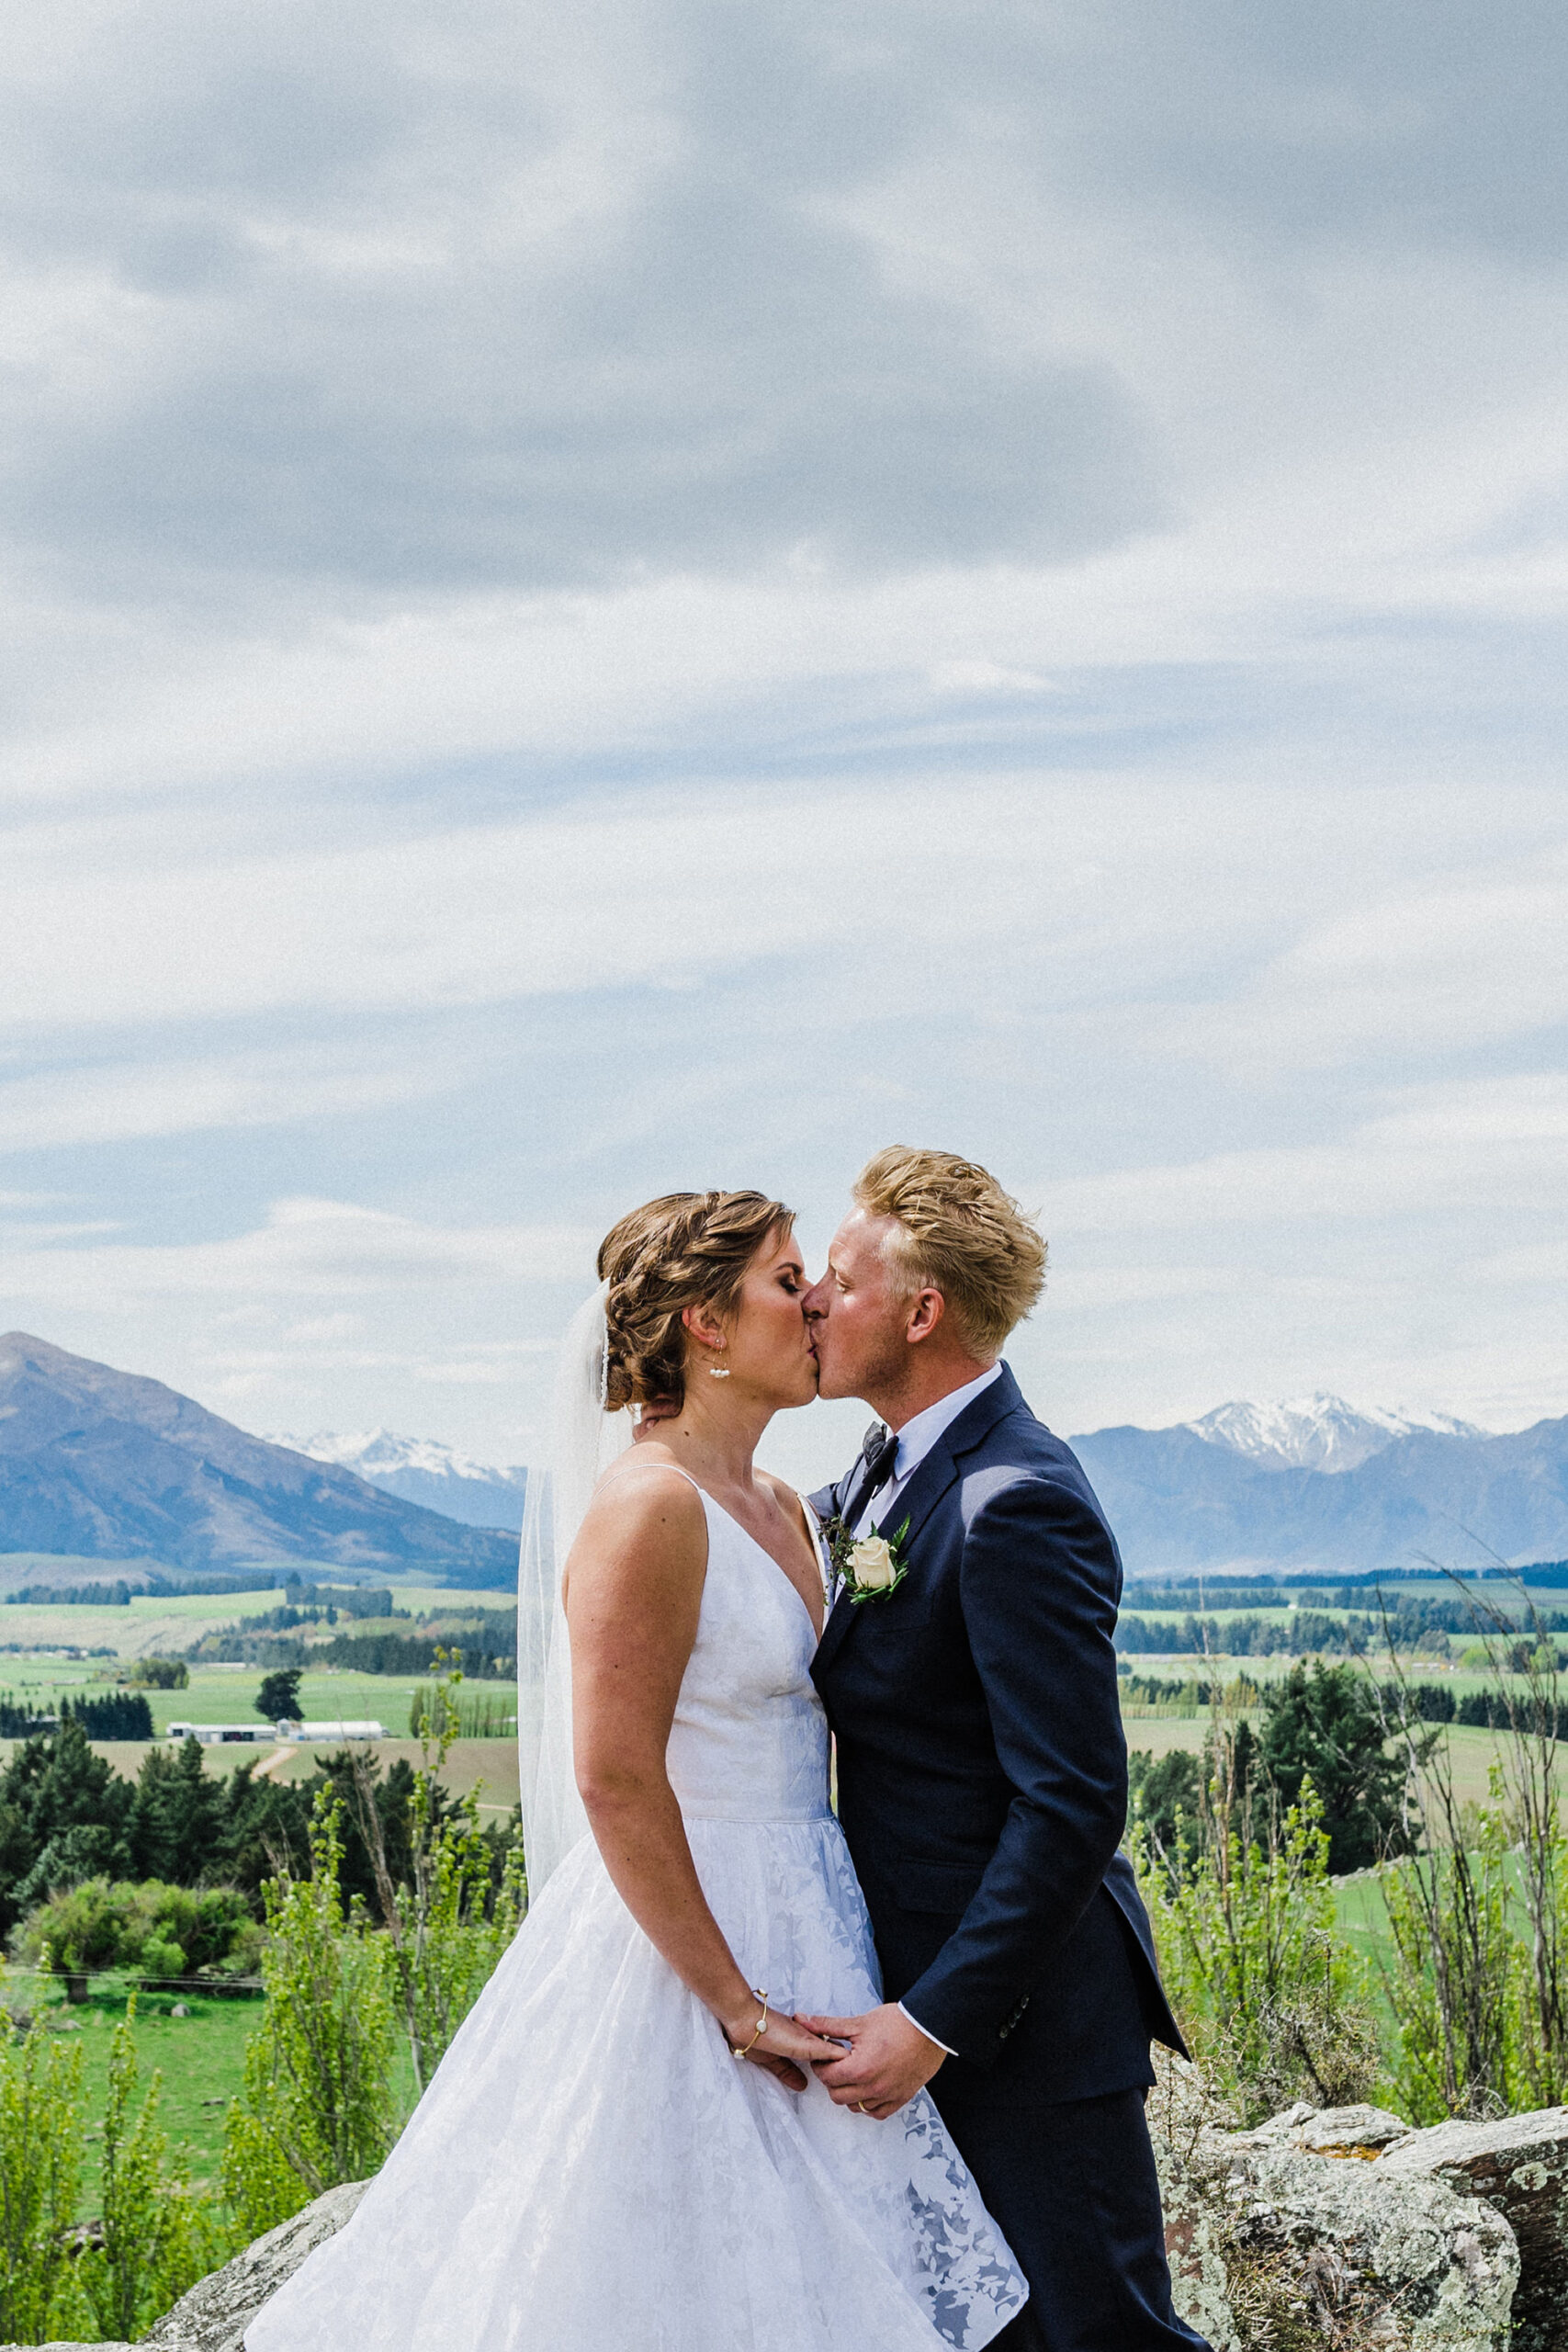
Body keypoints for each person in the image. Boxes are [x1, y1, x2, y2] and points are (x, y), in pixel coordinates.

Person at [244, 1188, 1027, 2352]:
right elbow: (615, 1776)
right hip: (689, 1941)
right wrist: (735, 2005)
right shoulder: (650, 1507)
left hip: (813, 1911)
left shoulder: (787, 1509)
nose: (811, 1299)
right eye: (783, 1278)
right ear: (705, 1324)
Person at [799, 1148, 1207, 2352]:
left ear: (920, 1312)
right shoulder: (883, 1467)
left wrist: (930, 2023)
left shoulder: (1015, 1498)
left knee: (1100, 2339)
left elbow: (1071, 1804)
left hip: (1024, 2028)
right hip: (919, 1995)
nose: (814, 1300)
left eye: (837, 1279)